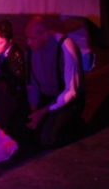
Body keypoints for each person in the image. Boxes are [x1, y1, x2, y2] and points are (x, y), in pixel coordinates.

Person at [24, 16, 86, 149]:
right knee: (24, 133)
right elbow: (32, 83)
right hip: (48, 97)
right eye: (27, 38)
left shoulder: (65, 47)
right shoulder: (31, 49)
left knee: (46, 139)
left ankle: (76, 127)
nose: (28, 42)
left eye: (32, 38)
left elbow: (71, 91)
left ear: (45, 35)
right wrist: (34, 111)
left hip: (69, 99)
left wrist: (44, 111)